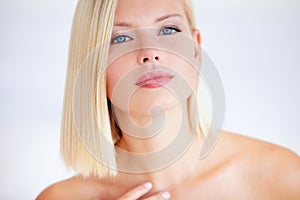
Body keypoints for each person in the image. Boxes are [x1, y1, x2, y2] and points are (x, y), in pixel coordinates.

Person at [37, 0, 300, 199]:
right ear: (90, 64)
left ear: (196, 49)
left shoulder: (283, 177)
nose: (150, 53)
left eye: (169, 30)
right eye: (120, 37)